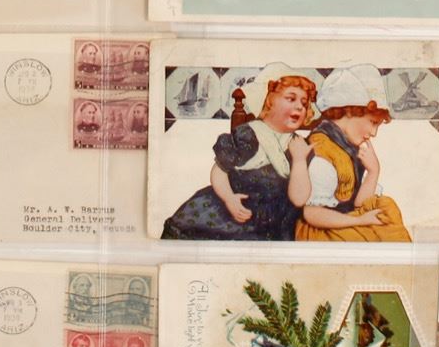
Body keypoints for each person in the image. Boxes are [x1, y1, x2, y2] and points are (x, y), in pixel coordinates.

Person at [161, 72, 316, 241]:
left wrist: (300, 160)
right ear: (270, 102)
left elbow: (299, 199)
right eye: (291, 99)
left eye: (304, 103)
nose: (300, 107)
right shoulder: (248, 135)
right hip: (230, 210)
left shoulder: (300, 146)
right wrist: (229, 199)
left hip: (275, 222)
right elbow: (220, 170)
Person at [294, 66, 412, 242]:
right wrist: (359, 220)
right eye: (372, 122)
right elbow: (312, 214)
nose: (374, 133)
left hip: (343, 221)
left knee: (387, 208)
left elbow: (359, 203)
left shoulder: (347, 147)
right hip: (321, 230)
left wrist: (373, 171)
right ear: (350, 111)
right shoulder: (322, 150)